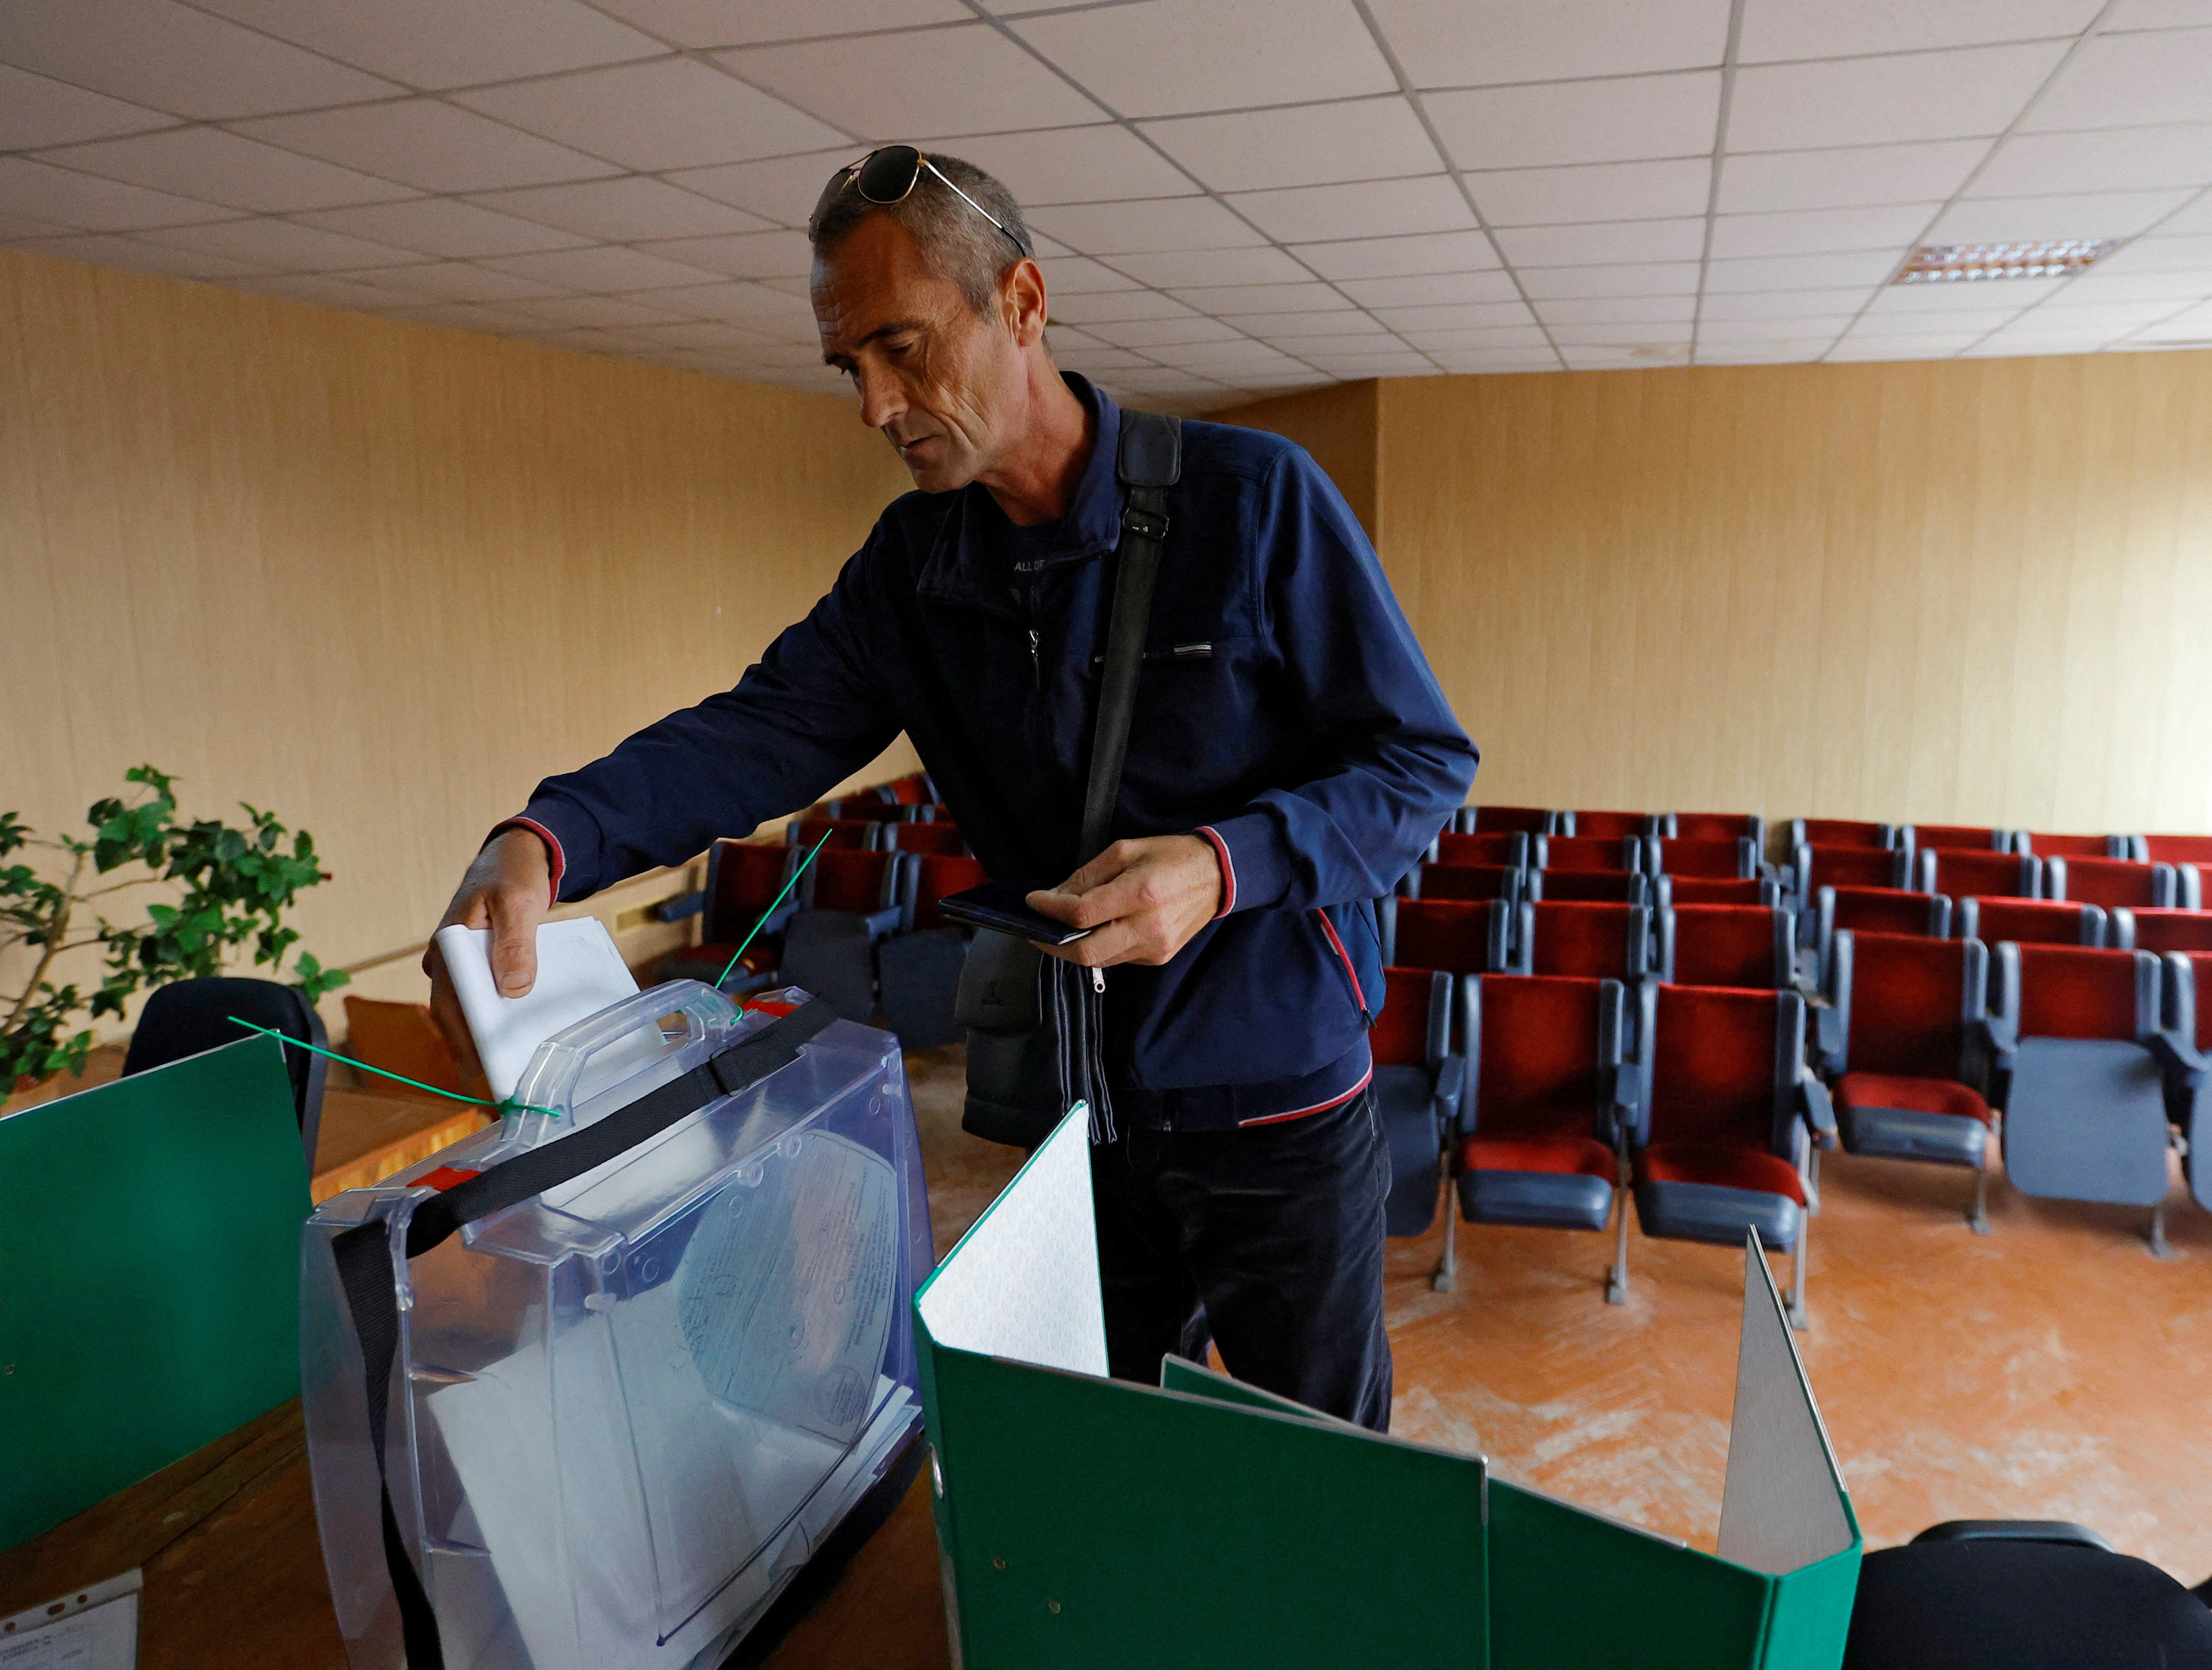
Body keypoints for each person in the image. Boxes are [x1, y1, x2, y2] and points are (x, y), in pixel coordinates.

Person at [428, 147, 1475, 1430]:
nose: (875, 405)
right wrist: (551, 834)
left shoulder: (1252, 501)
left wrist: (1224, 864)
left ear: (1022, 304)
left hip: (1283, 1107)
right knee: (1100, 1456)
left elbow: (1422, 765)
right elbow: (760, 731)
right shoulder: (911, 567)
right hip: (1082, 1108)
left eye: (901, 349)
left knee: (1319, 1476)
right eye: (848, 367)